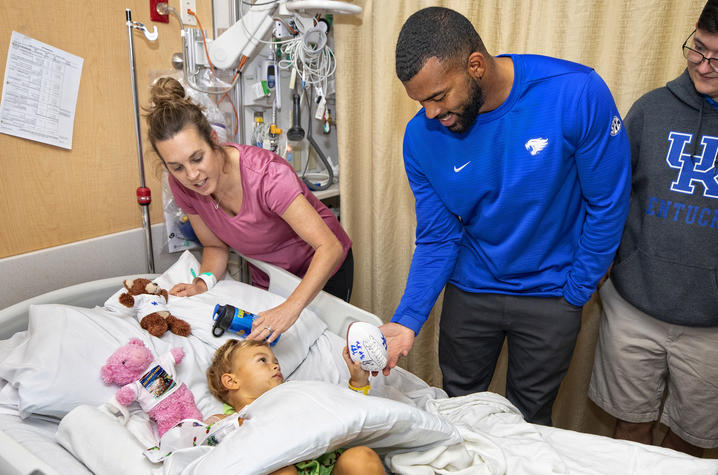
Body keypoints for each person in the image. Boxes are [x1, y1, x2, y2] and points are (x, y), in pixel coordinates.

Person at [380, 6, 631, 426]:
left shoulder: (575, 93)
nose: (430, 113)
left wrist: (576, 291)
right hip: (471, 288)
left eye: (438, 96)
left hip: (552, 294)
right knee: (458, 411)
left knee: (530, 421)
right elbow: (439, 238)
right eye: (421, 101)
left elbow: (608, 203)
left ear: (475, 65)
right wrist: (407, 319)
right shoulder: (421, 138)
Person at [588, 0, 718, 457]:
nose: (704, 65)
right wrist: (605, 265)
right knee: (629, 434)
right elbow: (610, 198)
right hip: (633, 308)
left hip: (711, 327)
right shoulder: (650, 110)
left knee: (691, 444)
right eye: (698, 49)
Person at [145, 77, 353, 343]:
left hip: (323, 267)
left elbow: (330, 247)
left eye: (197, 158)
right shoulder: (183, 186)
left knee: (327, 347)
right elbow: (215, 247)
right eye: (176, 167)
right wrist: (202, 283)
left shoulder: (267, 178)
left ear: (213, 139)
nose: (192, 174)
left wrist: (291, 308)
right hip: (271, 276)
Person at [205, 339, 385, 474]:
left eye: (275, 361)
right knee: (282, 472)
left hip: (328, 468)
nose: (275, 365)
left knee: (361, 457)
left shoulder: (295, 394)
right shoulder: (227, 421)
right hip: (281, 467)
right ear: (231, 380)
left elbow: (341, 413)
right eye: (262, 360)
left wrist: (358, 382)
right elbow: (207, 452)